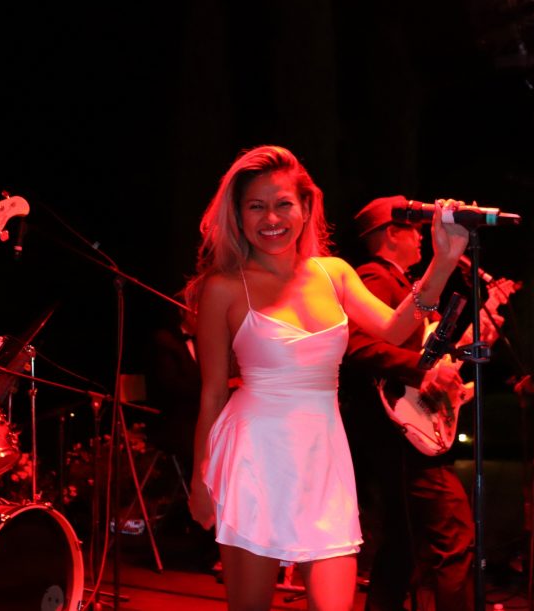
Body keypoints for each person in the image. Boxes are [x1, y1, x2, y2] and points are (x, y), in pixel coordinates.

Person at [186, 147, 468, 611]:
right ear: (238, 214)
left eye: (283, 204)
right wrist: (201, 479)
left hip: (324, 455)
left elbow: (395, 329)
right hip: (253, 457)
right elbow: (213, 394)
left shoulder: (333, 274)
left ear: (305, 207)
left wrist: (442, 263)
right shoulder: (224, 288)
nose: (271, 218)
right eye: (256, 206)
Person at [339, 195, 481, 611]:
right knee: (453, 533)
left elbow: (415, 348)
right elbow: (358, 346)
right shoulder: (375, 277)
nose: (421, 238)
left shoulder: (398, 281)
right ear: (391, 234)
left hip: (403, 429)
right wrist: (424, 372)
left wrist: (450, 360)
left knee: (404, 542)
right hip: (397, 431)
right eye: (415, 230)